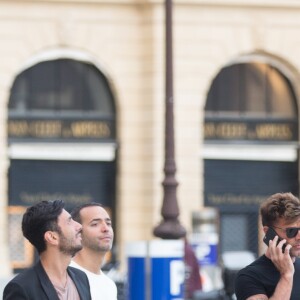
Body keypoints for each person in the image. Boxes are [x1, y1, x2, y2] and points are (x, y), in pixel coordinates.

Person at [3, 199, 92, 300]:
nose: (79, 226)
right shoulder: (21, 288)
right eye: (69, 221)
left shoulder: (81, 278)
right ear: (52, 237)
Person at [235, 192, 300, 300]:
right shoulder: (249, 276)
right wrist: (286, 275)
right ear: (268, 232)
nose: (299, 237)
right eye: (291, 231)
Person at [70, 202, 117, 300]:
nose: (106, 229)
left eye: (108, 223)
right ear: (78, 232)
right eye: (95, 224)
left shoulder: (109, 285)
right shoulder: (65, 277)